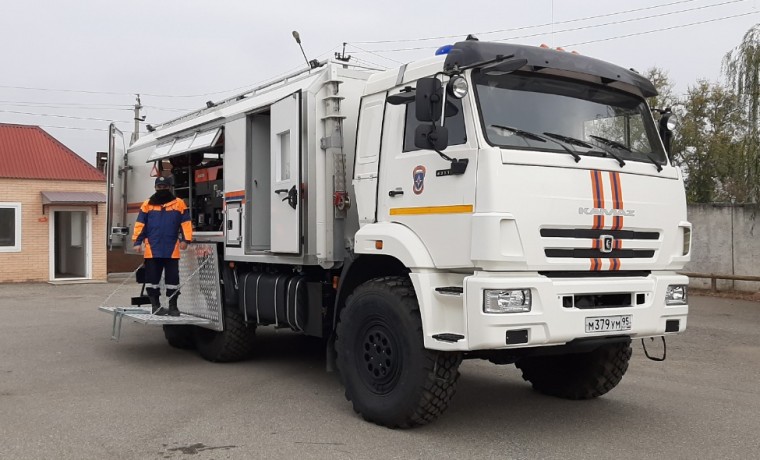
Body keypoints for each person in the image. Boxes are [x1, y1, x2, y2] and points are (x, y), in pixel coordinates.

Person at [132, 175, 193, 316]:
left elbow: (186, 223)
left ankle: (173, 307)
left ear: (169, 187)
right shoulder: (147, 204)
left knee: (173, 280)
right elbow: (140, 224)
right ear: (155, 187)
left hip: (172, 249)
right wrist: (137, 242)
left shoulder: (179, 203)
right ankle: (156, 306)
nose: (162, 189)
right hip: (152, 249)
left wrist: (186, 240)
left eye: (164, 186)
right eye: (159, 187)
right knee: (152, 280)